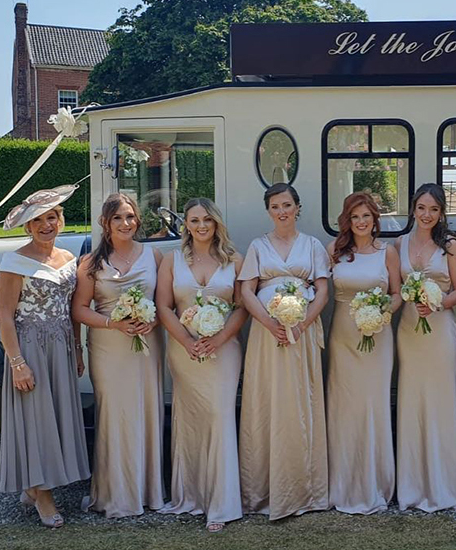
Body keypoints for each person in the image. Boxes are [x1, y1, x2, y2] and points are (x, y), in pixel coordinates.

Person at [0, 185, 89, 528]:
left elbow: (71, 310)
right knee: (35, 419)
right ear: (28, 226)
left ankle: (34, 486)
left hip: (61, 346)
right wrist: (17, 363)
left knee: (56, 418)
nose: (46, 224)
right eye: (37, 220)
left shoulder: (68, 259)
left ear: (60, 220)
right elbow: (5, 315)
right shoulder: (14, 261)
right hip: (30, 347)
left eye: (52, 217)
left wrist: (77, 350)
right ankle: (41, 494)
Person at [238, 183, 332, 520]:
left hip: (301, 333)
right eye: (275, 206)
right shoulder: (258, 246)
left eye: (287, 205)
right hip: (268, 335)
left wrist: (303, 323)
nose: (282, 211)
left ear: (297, 207)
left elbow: (322, 291)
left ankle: (305, 489)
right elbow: (247, 290)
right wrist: (267, 322)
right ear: (269, 211)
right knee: (268, 401)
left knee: (299, 401)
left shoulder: (312, 246)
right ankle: (263, 490)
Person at [72, 193, 165, 518]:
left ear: (137, 220)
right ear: (105, 223)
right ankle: (115, 494)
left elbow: (165, 303)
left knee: (145, 410)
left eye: (129, 217)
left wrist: (151, 319)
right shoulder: (91, 264)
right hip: (108, 348)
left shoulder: (153, 257)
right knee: (114, 416)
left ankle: (148, 492)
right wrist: (114, 322)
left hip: (146, 346)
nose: (125, 223)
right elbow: (79, 310)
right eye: (117, 218)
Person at [156, 198, 247, 532]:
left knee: (219, 416)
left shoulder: (234, 260)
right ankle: (191, 496)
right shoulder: (171, 260)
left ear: (217, 223)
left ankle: (221, 505)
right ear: (186, 225)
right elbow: (164, 306)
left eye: (207, 220)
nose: (201, 226)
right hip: (185, 351)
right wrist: (187, 341)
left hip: (224, 351)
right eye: (194, 221)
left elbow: (241, 307)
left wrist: (218, 339)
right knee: (190, 419)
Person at [394, 183, 456, 512]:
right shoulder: (398, 244)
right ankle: (412, 486)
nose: (427, 215)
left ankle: (445, 485)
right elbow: (395, 291)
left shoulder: (450, 246)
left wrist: (436, 304)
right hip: (409, 332)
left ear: (441, 214)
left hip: (439, 330)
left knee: (440, 402)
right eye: (422, 208)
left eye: (434, 209)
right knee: (412, 403)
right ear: (413, 209)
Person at [325, 192, 402, 514]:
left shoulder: (388, 252)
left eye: (366, 216)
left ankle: (375, 484)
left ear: (375, 219)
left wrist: (382, 311)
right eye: (355, 217)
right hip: (343, 336)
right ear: (348, 220)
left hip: (378, 336)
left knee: (373, 405)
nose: (360, 222)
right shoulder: (335, 251)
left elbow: (398, 294)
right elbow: (314, 286)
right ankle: (341, 484)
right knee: (344, 408)